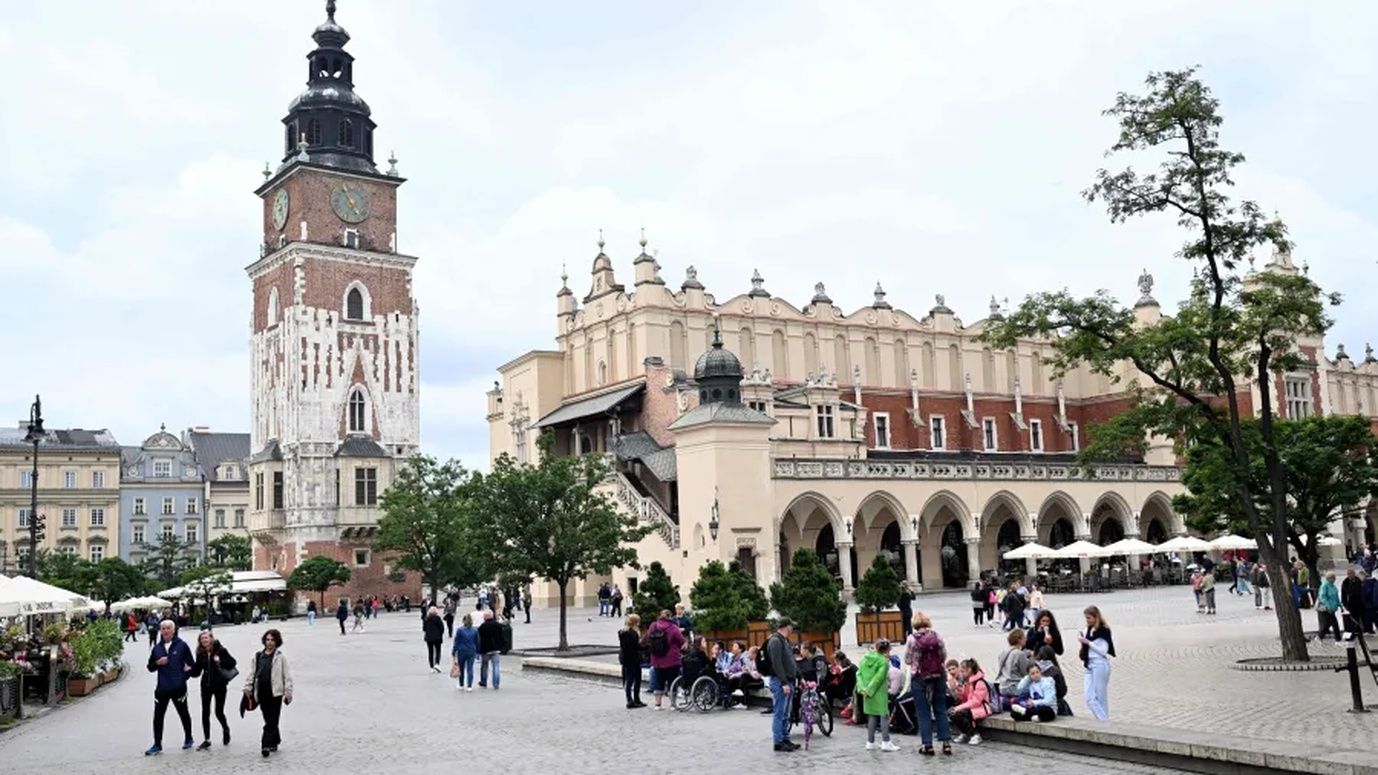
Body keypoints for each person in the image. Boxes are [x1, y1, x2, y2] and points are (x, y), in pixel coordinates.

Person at [903, 612, 952, 756]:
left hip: (920, 677)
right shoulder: (937, 636)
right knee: (940, 708)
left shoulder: (912, 639)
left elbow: (907, 659)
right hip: (939, 675)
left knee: (923, 711)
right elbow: (944, 655)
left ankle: (927, 745)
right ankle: (946, 743)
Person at [145, 620, 196, 756]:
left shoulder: (182, 645)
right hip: (162, 688)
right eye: (163, 629)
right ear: (160, 631)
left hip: (178, 687)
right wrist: (157, 663)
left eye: (168, 628)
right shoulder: (157, 648)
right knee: (158, 717)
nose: (165, 631)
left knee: (183, 713)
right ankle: (157, 744)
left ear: (173, 630)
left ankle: (189, 737)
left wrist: (184, 675)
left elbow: (192, 665)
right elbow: (150, 667)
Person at [242, 629, 293, 758]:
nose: (269, 643)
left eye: (272, 640)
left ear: (277, 642)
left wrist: (288, 691)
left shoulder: (280, 657)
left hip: (275, 693)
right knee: (269, 719)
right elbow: (252, 673)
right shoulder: (258, 656)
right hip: (262, 692)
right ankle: (275, 740)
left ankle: (265, 745)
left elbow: (287, 676)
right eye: (268, 640)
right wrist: (247, 688)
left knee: (272, 720)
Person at [189, 630, 237, 750]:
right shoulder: (200, 654)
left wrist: (220, 661)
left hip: (220, 684)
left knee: (218, 711)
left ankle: (225, 729)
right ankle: (207, 739)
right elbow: (197, 672)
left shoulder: (221, 650)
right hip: (206, 685)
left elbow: (232, 662)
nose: (204, 640)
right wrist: (189, 670)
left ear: (211, 638)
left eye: (206, 638)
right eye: (202, 639)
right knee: (205, 712)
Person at [762, 617, 798, 752]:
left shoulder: (785, 641)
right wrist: (783, 682)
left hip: (788, 680)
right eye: (791, 626)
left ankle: (785, 738)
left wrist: (800, 676)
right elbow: (777, 664)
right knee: (779, 713)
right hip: (780, 682)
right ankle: (778, 741)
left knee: (786, 713)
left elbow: (791, 662)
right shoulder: (775, 641)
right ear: (786, 626)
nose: (792, 629)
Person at [857, 639, 900, 752]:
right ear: (887, 650)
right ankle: (886, 741)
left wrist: (862, 688)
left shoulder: (865, 659)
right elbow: (878, 678)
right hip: (879, 692)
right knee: (883, 714)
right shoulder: (883, 662)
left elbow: (859, 673)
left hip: (865, 692)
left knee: (872, 715)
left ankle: (870, 741)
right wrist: (870, 689)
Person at [642, 609, 686, 710]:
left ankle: (658, 704)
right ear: (670, 617)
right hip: (672, 660)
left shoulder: (653, 626)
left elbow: (646, 639)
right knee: (672, 681)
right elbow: (682, 642)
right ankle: (672, 704)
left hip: (656, 660)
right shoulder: (673, 627)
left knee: (658, 681)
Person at [1078, 606, 1115, 720]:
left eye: (1089, 618)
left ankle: (1104, 722)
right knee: (1089, 697)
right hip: (1089, 664)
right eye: (1086, 618)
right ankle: (1104, 720)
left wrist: (1088, 643)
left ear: (1096, 617)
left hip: (1100, 663)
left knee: (1101, 697)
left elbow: (1103, 651)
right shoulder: (1087, 629)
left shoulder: (1104, 630)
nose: (1087, 621)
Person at [948, 658, 992, 745]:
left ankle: (974, 734)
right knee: (951, 712)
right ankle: (965, 732)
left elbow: (976, 702)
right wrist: (957, 689)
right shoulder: (968, 682)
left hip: (981, 708)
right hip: (971, 706)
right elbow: (965, 699)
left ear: (970, 670)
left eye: (963, 671)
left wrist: (958, 708)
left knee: (959, 712)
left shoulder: (979, 683)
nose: (961, 674)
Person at [617, 614, 645, 708]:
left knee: (628, 679)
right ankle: (634, 700)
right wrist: (647, 646)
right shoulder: (632, 633)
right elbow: (636, 647)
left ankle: (629, 699)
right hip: (633, 658)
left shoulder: (622, 632)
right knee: (636, 679)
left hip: (624, 658)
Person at [477, 610, 505, 689]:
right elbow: (501, 637)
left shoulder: (483, 626)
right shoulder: (498, 625)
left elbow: (479, 638)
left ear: (485, 617)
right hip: (496, 648)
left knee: (484, 666)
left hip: (486, 649)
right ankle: (496, 683)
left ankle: (483, 681)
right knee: (496, 666)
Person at [451, 613, 479, 691]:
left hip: (462, 650)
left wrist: (454, 651)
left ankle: (461, 684)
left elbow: (456, 641)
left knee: (461, 668)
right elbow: (477, 642)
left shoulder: (460, 630)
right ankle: (469, 685)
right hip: (472, 650)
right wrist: (477, 651)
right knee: (470, 668)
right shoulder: (475, 630)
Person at [1317, 571, 1342, 642]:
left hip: (1332, 608)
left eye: (1334, 578)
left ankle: (1320, 636)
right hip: (1327, 608)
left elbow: (1336, 597)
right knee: (1334, 624)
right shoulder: (1325, 585)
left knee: (1328, 624)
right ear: (1328, 578)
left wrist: (1340, 605)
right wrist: (1328, 606)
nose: (1334, 579)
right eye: (1332, 578)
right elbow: (1322, 597)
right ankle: (1338, 639)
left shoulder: (1332, 586)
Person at [423, 606, 446, 673]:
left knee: (430, 652)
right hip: (437, 637)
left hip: (429, 638)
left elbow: (424, 628)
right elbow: (442, 628)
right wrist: (440, 634)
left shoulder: (426, 619)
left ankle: (431, 667)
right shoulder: (438, 619)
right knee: (438, 651)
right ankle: (437, 664)